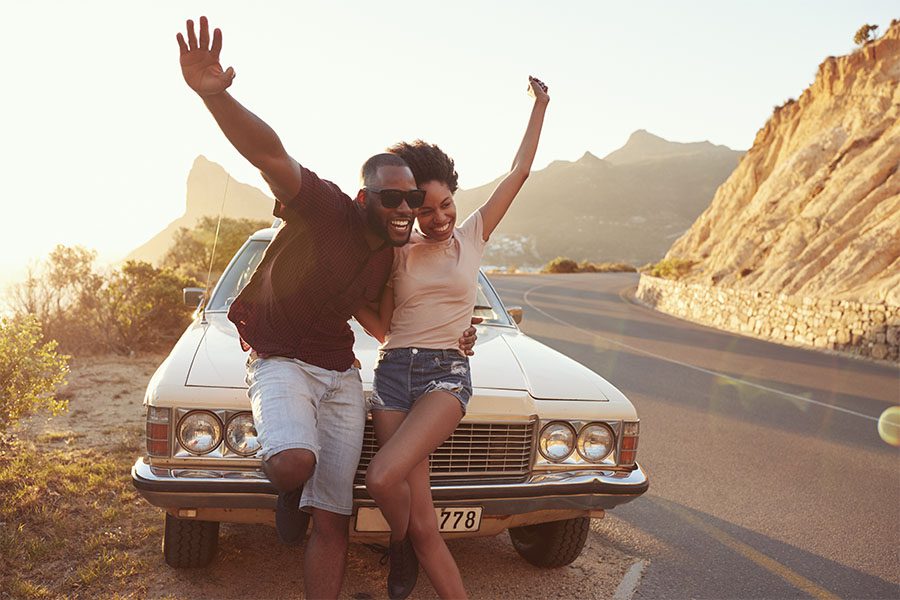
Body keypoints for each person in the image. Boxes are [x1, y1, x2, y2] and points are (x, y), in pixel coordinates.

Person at [175, 17, 476, 600]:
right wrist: (217, 97)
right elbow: (270, 154)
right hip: (279, 356)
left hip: (342, 372)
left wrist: (453, 338)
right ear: (366, 196)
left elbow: (394, 324)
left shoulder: (393, 260)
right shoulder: (324, 209)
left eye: (413, 201)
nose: (405, 209)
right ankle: (288, 488)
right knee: (292, 464)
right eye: (391, 198)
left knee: (333, 521)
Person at [354, 76, 550, 599]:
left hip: (445, 375)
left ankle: (395, 544)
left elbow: (520, 171)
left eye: (445, 205)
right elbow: (380, 324)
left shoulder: (474, 237)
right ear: (409, 207)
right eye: (425, 210)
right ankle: (406, 544)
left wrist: (541, 106)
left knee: (380, 479)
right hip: (393, 373)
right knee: (424, 526)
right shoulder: (396, 251)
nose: (438, 219)